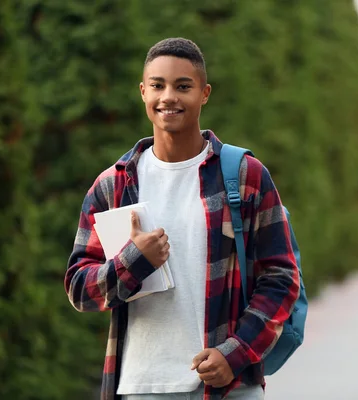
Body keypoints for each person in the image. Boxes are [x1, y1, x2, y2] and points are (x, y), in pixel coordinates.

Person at [64, 38, 300, 400]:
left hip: (228, 386)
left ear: (204, 93)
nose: (168, 97)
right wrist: (134, 261)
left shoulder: (243, 175)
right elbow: (80, 288)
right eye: (157, 85)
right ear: (143, 92)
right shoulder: (113, 185)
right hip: (143, 386)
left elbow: (281, 278)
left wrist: (234, 353)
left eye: (183, 86)